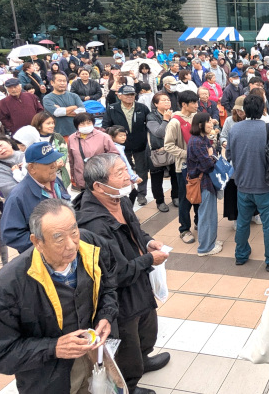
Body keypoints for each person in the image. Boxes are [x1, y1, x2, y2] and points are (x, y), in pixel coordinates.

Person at [0, 199, 118, 394]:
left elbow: (108, 286)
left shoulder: (90, 247)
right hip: (48, 380)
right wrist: (52, 348)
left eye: (74, 231)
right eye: (58, 238)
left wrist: (105, 315)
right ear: (37, 242)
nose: (71, 245)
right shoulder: (4, 289)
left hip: (93, 363)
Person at [74, 154, 171, 393]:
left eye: (125, 169)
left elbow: (137, 230)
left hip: (140, 280)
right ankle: (130, 383)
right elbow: (115, 273)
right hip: (120, 294)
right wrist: (150, 259)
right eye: (119, 173)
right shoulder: (93, 223)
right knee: (128, 340)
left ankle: (144, 358)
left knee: (147, 328)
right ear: (98, 185)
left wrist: (148, 243)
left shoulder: (121, 200)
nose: (127, 175)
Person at [226, 94, 269, 271]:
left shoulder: (235, 129)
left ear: (244, 111)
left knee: (242, 222)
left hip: (242, 184)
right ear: (263, 109)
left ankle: (241, 254)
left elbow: (229, 156)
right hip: (264, 185)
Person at [1, 141, 71, 253]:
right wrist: (46, 246)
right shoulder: (18, 197)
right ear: (32, 168)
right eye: (48, 163)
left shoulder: (55, 180)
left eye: (54, 160)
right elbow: (11, 235)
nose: (54, 165)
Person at [102, 85, 150, 205]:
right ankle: (127, 191)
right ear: (120, 95)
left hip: (140, 144)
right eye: (127, 94)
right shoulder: (112, 108)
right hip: (120, 146)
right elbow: (105, 125)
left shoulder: (142, 107)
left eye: (132, 94)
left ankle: (141, 194)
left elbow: (149, 123)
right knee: (122, 170)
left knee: (142, 169)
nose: (130, 97)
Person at [186, 112, 222, 256]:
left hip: (207, 181)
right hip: (202, 183)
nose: (211, 124)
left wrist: (212, 153)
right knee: (206, 215)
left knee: (210, 213)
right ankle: (205, 248)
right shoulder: (197, 142)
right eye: (208, 122)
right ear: (200, 124)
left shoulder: (203, 139)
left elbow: (214, 153)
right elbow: (208, 164)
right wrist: (212, 155)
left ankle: (210, 242)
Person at [66, 113, 119, 189]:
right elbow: (72, 159)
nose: (86, 126)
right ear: (76, 125)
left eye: (88, 123)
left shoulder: (103, 136)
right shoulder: (72, 138)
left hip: (100, 178)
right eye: (82, 124)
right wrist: (73, 176)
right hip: (82, 178)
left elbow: (114, 155)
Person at [146, 93, 178, 213]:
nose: (167, 102)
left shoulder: (174, 114)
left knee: (175, 174)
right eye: (163, 100)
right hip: (157, 150)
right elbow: (158, 132)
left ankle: (176, 196)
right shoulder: (151, 116)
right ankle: (160, 201)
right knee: (157, 177)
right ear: (156, 104)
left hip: (173, 149)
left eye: (168, 100)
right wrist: (165, 119)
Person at [219, 95, 246, 226]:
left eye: (242, 110)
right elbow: (223, 136)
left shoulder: (252, 120)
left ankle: (253, 214)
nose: (240, 113)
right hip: (233, 160)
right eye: (238, 110)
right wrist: (224, 143)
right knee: (233, 189)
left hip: (247, 160)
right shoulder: (230, 120)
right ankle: (235, 217)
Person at [31, 111, 72, 188]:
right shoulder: (34, 139)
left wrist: (61, 161)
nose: (52, 125)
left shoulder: (57, 136)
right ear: (39, 125)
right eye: (48, 123)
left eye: (53, 123)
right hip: (43, 175)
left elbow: (63, 150)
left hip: (59, 173)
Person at [42, 73, 85, 138]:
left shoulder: (74, 96)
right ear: (52, 83)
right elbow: (56, 112)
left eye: (64, 81)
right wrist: (74, 107)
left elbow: (82, 111)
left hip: (77, 132)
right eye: (59, 81)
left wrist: (62, 110)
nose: (62, 83)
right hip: (59, 134)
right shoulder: (47, 98)